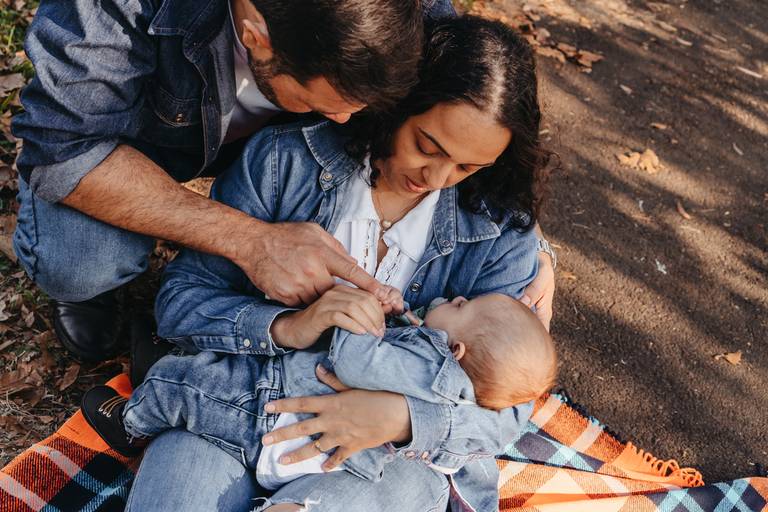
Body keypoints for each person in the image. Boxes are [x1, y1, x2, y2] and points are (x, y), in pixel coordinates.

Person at [126, 16, 554, 512]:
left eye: (468, 167)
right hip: (240, 410)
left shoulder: (500, 232)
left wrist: (402, 418)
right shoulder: (285, 163)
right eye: (426, 146)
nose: (438, 177)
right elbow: (182, 303)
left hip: (387, 461)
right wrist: (288, 326)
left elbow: (510, 407)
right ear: (395, 105)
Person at [10, 0, 460, 362]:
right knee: (84, 262)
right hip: (135, 140)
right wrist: (251, 241)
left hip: (277, 156)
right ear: (255, 39)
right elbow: (65, 149)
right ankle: (101, 286)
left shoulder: (405, 12)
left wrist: (529, 237)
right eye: (323, 102)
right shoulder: (114, 6)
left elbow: (474, 97)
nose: (344, 120)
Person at [81, 292, 556, 495]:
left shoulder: (429, 363)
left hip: (269, 411)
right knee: (201, 384)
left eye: (461, 305)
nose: (453, 298)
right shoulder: (464, 388)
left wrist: (358, 313)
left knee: (184, 387)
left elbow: (354, 361)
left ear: (455, 349)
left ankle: (130, 423)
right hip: (314, 449)